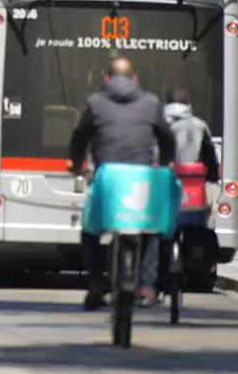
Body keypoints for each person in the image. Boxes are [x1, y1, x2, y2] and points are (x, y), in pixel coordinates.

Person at [68, 58, 174, 310]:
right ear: (135, 79)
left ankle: (96, 282)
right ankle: (148, 284)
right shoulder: (151, 103)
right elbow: (167, 139)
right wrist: (167, 163)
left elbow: (79, 138)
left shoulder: (95, 103)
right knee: (153, 229)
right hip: (142, 179)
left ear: (106, 79)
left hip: (108, 177)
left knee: (90, 230)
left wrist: (76, 163)